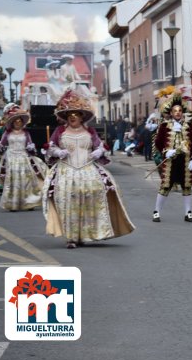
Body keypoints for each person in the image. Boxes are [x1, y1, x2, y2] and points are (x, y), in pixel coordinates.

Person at [43, 89, 135, 249]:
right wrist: (58, 151)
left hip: (88, 170)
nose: (73, 116)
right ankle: (71, 237)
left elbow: (100, 145)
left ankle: (87, 233)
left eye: (76, 113)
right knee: (68, 203)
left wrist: (98, 151)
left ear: (81, 116)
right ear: (65, 116)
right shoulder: (60, 131)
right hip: (66, 171)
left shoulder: (90, 131)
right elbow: (50, 147)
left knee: (92, 198)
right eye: (70, 114)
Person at [152, 86, 192, 223]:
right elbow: (158, 142)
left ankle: (188, 212)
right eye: (175, 111)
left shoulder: (188, 126)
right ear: (171, 113)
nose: (178, 113)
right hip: (171, 160)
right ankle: (156, 211)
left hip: (185, 160)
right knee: (165, 186)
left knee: (186, 186)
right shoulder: (165, 126)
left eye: (179, 111)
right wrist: (166, 152)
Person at [0, 104, 47, 211]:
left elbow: (30, 145)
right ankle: (12, 203)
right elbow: (1, 144)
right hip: (11, 158)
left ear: (22, 122)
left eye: (20, 121)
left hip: (23, 157)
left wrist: (31, 147)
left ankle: (29, 202)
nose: (18, 123)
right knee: (13, 180)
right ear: (12, 123)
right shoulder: (7, 133)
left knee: (26, 179)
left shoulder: (26, 133)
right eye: (16, 121)